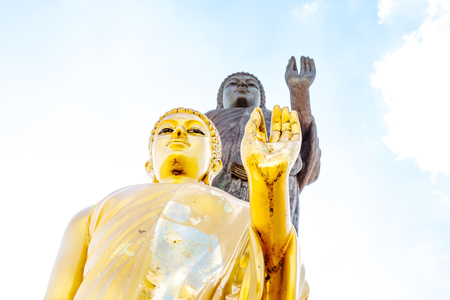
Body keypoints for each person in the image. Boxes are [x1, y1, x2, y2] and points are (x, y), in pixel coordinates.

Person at [44, 106, 310, 300]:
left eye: (195, 131)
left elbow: (275, 279)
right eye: (167, 130)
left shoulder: (244, 215)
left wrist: (269, 184)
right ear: (149, 164)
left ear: (214, 163)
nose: (179, 133)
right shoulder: (93, 215)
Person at [206, 56, 321, 229]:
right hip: (216, 189)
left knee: (269, 246)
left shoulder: (273, 118)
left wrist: (299, 92)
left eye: (251, 84)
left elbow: (304, 146)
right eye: (233, 83)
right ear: (221, 98)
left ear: (261, 98)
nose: (242, 85)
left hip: (272, 192)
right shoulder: (209, 119)